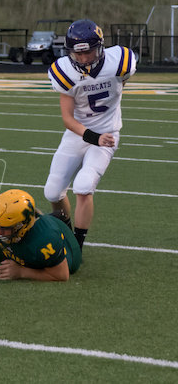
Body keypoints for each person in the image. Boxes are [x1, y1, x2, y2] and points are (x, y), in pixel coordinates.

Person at [45, 19, 136, 249]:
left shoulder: (120, 62)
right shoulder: (65, 71)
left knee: (84, 186)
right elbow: (67, 119)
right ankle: (65, 230)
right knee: (52, 192)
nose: (84, 59)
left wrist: (105, 129)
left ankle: (76, 245)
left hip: (107, 134)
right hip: (79, 134)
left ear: (100, 47)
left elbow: (122, 82)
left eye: (89, 52)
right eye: (78, 54)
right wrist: (94, 137)